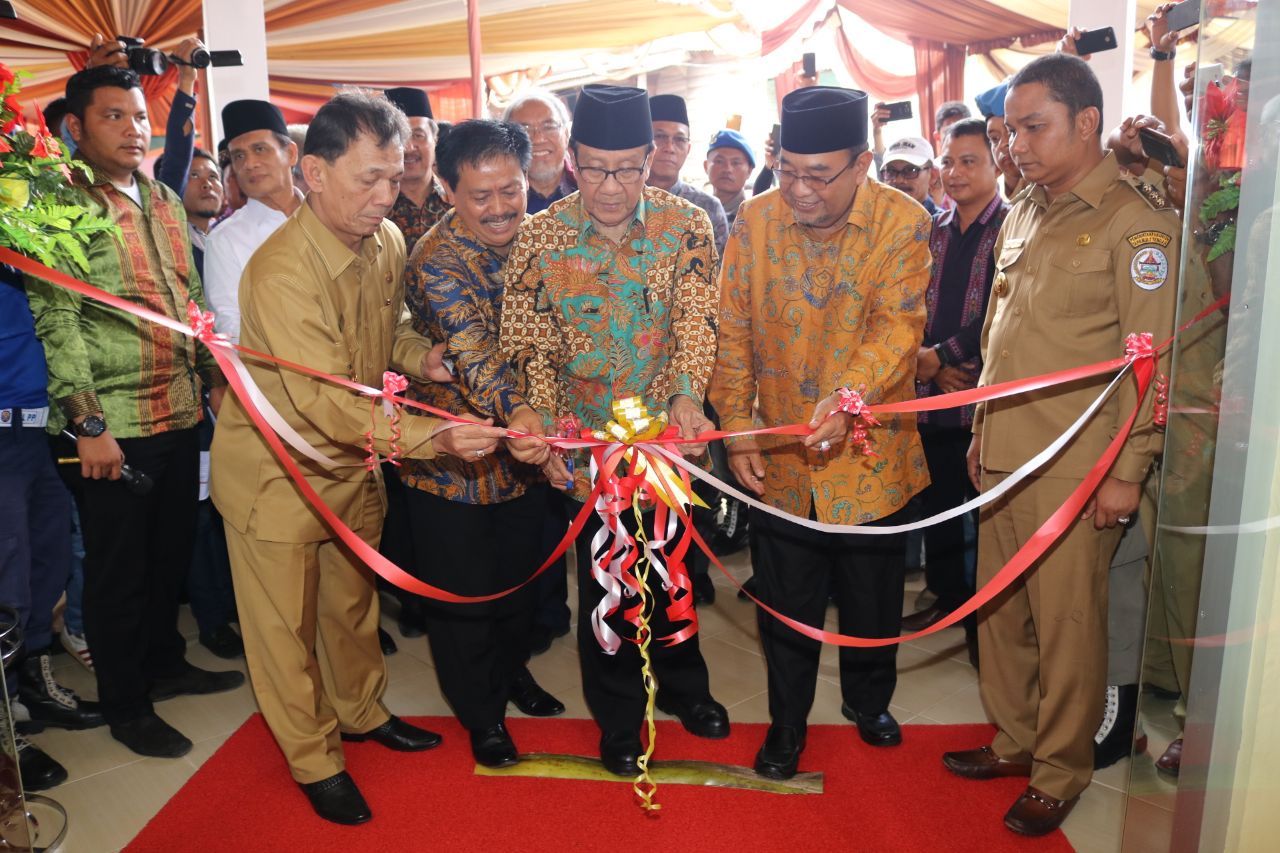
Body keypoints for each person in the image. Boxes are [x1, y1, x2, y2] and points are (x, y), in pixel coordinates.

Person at [209, 91, 507, 826]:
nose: (385, 195)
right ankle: (313, 758)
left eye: (396, 174)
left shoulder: (385, 243)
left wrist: (425, 357)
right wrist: (431, 437)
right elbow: (322, 399)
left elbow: (389, 332)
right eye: (367, 179)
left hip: (354, 463)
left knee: (349, 606)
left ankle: (363, 712)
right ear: (312, 172)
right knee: (283, 628)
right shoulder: (279, 271)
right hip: (278, 474)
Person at [942, 54, 1180, 837]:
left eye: (1032, 129)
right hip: (1007, 454)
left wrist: (1128, 469)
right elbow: (1000, 340)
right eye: (1011, 131)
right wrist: (981, 431)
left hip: (1078, 467)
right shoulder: (1025, 210)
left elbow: (1154, 359)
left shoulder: (1135, 221)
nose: (1017, 147)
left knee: (1070, 623)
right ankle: (1014, 740)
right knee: (1001, 615)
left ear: (1086, 123)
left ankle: (1060, 768)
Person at [500, 83, 727, 777]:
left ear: (651, 156)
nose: (611, 184)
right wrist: (535, 412)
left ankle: (687, 688)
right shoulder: (539, 235)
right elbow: (530, 342)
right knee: (606, 586)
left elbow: (695, 321)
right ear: (571, 159)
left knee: (670, 571)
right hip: (587, 447)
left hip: (662, 440)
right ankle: (620, 717)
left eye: (628, 166)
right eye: (596, 166)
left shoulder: (686, 225)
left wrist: (690, 397)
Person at [709, 85, 931, 781]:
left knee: (872, 602)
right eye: (788, 171)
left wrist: (851, 395)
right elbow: (732, 333)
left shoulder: (904, 222)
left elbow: (898, 327)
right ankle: (785, 725)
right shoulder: (753, 220)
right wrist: (739, 432)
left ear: (863, 162)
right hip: (778, 460)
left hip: (871, 456)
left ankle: (869, 703)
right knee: (786, 604)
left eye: (819, 175)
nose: (799, 191)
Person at [24, 65, 243, 761]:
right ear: (76, 127)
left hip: (178, 408)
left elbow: (188, 299)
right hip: (112, 423)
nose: (132, 128)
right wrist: (87, 423)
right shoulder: (57, 202)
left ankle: (164, 662)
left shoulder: (161, 197)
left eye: (138, 117)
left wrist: (210, 375)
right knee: (118, 573)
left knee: (168, 555)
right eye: (113, 116)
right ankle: (126, 702)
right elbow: (55, 317)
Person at [399, 118, 565, 768]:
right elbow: (473, 355)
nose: (499, 208)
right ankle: (483, 713)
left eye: (511, 190)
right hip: (455, 461)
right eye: (480, 195)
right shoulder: (436, 260)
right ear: (448, 188)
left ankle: (512, 672)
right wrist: (527, 419)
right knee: (466, 598)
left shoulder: (545, 238)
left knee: (522, 585)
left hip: (528, 455)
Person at [904, 119, 1008, 668]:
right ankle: (947, 598)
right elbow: (910, 305)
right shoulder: (933, 230)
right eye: (949, 161)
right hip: (934, 396)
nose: (956, 171)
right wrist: (929, 365)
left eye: (970, 160)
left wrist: (941, 357)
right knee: (941, 502)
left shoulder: (1012, 228)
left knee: (984, 515)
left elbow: (999, 313)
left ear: (996, 165)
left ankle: (981, 619)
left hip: (984, 396)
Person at [2, 263, 105, 793]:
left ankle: (32, 688)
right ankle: (3, 734)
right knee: (6, 585)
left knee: (49, 566)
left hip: (39, 428)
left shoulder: (28, 230)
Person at [204, 100, 304, 344]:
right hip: (275, 375)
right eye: (239, 155)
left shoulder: (327, 218)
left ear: (290, 153)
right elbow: (229, 326)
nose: (249, 164)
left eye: (260, 149)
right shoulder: (225, 239)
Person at [646, 94, 729, 256]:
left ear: (688, 149)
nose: (669, 147)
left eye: (679, 139)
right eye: (660, 137)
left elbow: (720, 275)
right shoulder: (622, 202)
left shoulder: (707, 208)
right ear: (643, 143)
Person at [384, 86, 450, 251]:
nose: (408, 147)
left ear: (435, 138)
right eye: (399, 137)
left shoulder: (458, 200)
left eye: (418, 135)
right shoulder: (376, 205)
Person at [502, 90, 576, 214]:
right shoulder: (496, 200)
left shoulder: (590, 188)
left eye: (549, 127)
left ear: (566, 134)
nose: (537, 139)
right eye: (524, 130)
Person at [164, 148, 223, 276]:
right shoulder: (167, 245)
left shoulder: (229, 234)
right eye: (194, 175)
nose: (207, 184)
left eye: (213, 176)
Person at [974, 81, 1023, 200]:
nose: (1002, 145)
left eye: (1012, 133)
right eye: (995, 139)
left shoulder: (1048, 190)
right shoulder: (986, 193)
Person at [704, 128, 756, 226]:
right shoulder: (693, 209)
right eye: (719, 161)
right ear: (706, 166)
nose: (727, 169)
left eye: (736, 163)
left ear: (749, 171)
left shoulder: (755, 215)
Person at [880, 136, 938, 214]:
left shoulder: (942, 225)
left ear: (932, 175)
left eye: (910, 170)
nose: (898, 180)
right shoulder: (873, 221)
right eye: (891, 171)